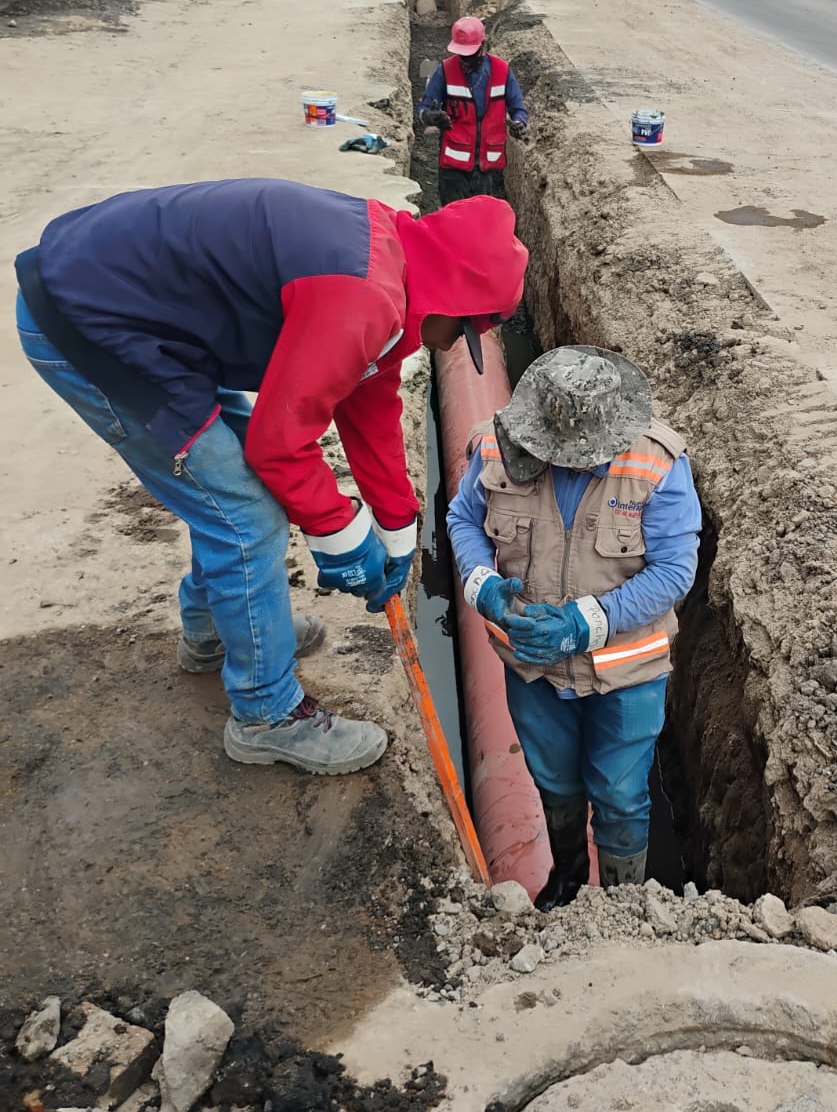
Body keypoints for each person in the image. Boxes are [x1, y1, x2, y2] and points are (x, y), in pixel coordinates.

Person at [15, 182, 528, 776]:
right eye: (461, 332)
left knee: (228, 493)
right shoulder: (363, 296)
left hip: (135, 310)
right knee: (245, 516)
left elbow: (368, 404)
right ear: (451, 300)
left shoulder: (395, 261)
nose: (451, 345)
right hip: (90, 322)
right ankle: (265, 713)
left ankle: (215, 632)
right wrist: (342, 537)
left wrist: (395, 526)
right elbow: (278, 445)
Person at [447, 346, 702, 906]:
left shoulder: (655, 463)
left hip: (627, 675)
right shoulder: (493, 446)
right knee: (555, 782)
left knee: (620, 795)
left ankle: (620, 904)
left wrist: (587, 623)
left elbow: (674, 570)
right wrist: (482, 583)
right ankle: (566, 875)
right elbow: (464, 518)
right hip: (532, 668)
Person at [418, 16, 528, 205]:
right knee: (454, 220)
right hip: (453, 170)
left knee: (480, 220)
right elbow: (424, 109)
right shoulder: (445, 71)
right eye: (462, 56)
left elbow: (518, 108)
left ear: (483, 46)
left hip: (487, 169)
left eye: (470, 55)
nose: (465, 61)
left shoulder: (501, 71)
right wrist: (430, 117)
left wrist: (519, 123)